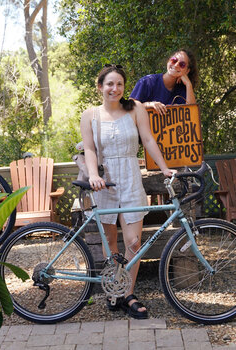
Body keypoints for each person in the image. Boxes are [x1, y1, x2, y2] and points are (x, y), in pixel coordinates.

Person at [80, 64, 177, 319]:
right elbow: (89, 149)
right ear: (100, 87)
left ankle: (128, 293)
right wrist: (92, 175)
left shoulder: (135, 108)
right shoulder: (89, 114)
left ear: (124, 87)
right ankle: (114, 290)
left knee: (134, 243)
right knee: (110, 242)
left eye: (120, 84)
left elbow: (148, 140)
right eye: (110, 84)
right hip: (105, 181)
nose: (115, 88)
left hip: (131, 177)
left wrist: (165, 168)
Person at [130, 48, 199, 116]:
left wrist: (188, 84)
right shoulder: (148, 81)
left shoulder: (183, 90)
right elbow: (129, 106)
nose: (176, 65)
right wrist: (150, 104)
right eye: (174, 60)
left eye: (182, 64)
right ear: (168, 61)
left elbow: (192, 115)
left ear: (187, 71)